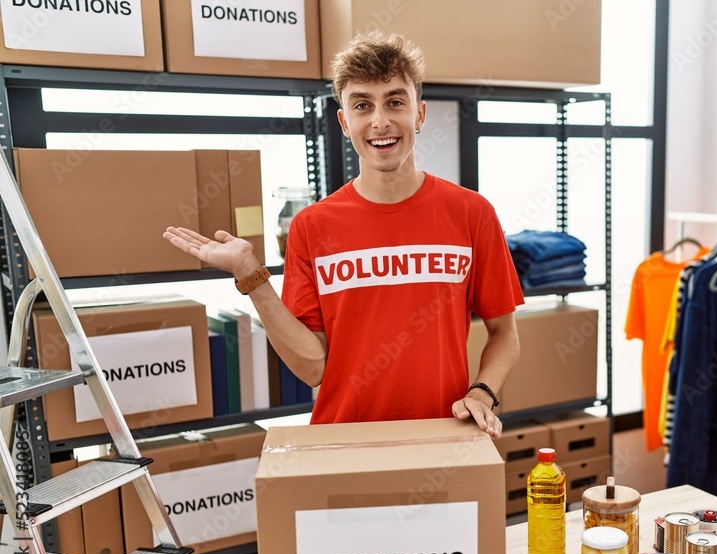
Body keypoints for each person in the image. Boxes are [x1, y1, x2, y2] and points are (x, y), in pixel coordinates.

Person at [163, 31, 523, 438]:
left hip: (444, 436)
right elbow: (313, 368)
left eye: (395, 102)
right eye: (362, 105)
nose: (380, 121)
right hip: (342, 442)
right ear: (344, 120)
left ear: (420, 115)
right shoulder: (313, 226)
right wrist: (251, 275)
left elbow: (505, 334)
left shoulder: (471, 213)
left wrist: (481, 393)